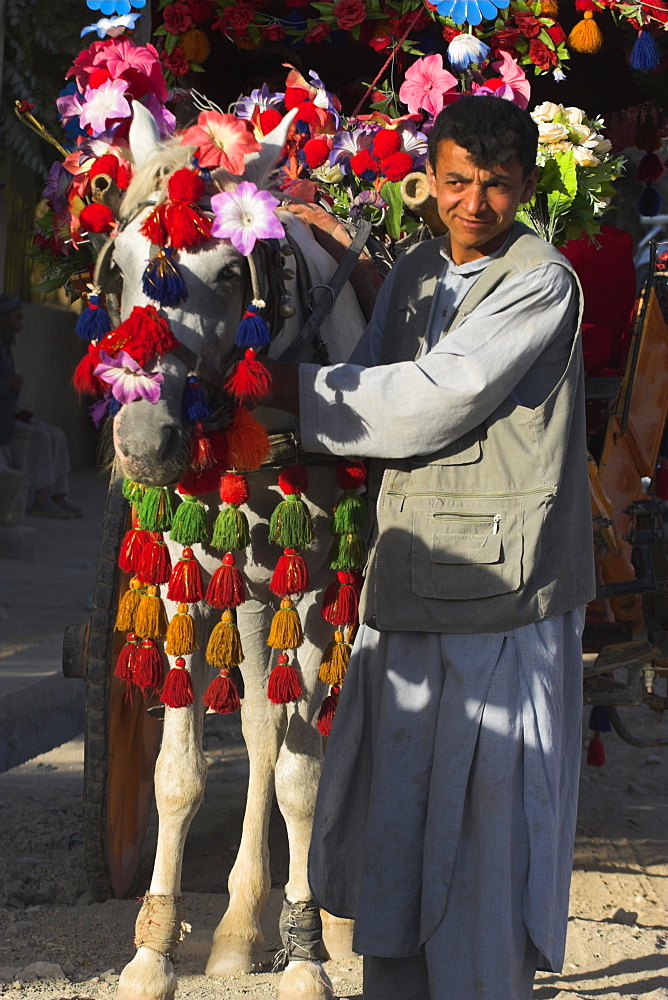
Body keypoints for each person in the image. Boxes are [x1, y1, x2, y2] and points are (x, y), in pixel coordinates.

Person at [263, 95, 596, 1000]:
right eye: (456, 182)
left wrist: (286, 394)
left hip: (503, 594)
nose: (474, 203)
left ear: (525, 185)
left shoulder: (541, 281)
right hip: (408, 583)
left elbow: (432, 395)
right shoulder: (410, 270)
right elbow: (365, 380)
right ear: (429, 181)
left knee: (486, 841)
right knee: (400, 834)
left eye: (494, 185)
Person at [0, 294, 82, 518]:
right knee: (40, 438)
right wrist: (7, 384)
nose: (20, 324)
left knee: (55, 434)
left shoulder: (5, 345)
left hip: (9, 415)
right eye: (16, 318)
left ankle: (59, 496)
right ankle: (40, 499)